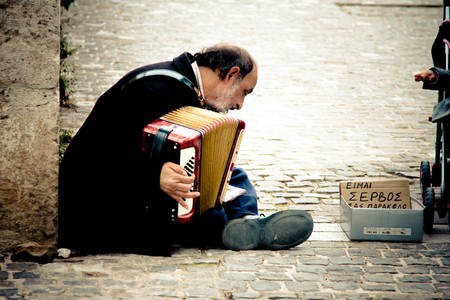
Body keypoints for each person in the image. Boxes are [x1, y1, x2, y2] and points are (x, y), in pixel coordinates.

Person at [58, 43, 314, 256]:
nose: (239, 104)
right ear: (231, 74)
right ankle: (234, 224)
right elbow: (98, 157)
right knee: (208, 216)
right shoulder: (152, 91)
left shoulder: (189, 90)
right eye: (243, 93)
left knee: (234, 175)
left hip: (145, 187)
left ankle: (246, 220)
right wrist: (154, 176)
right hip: (101, 205)